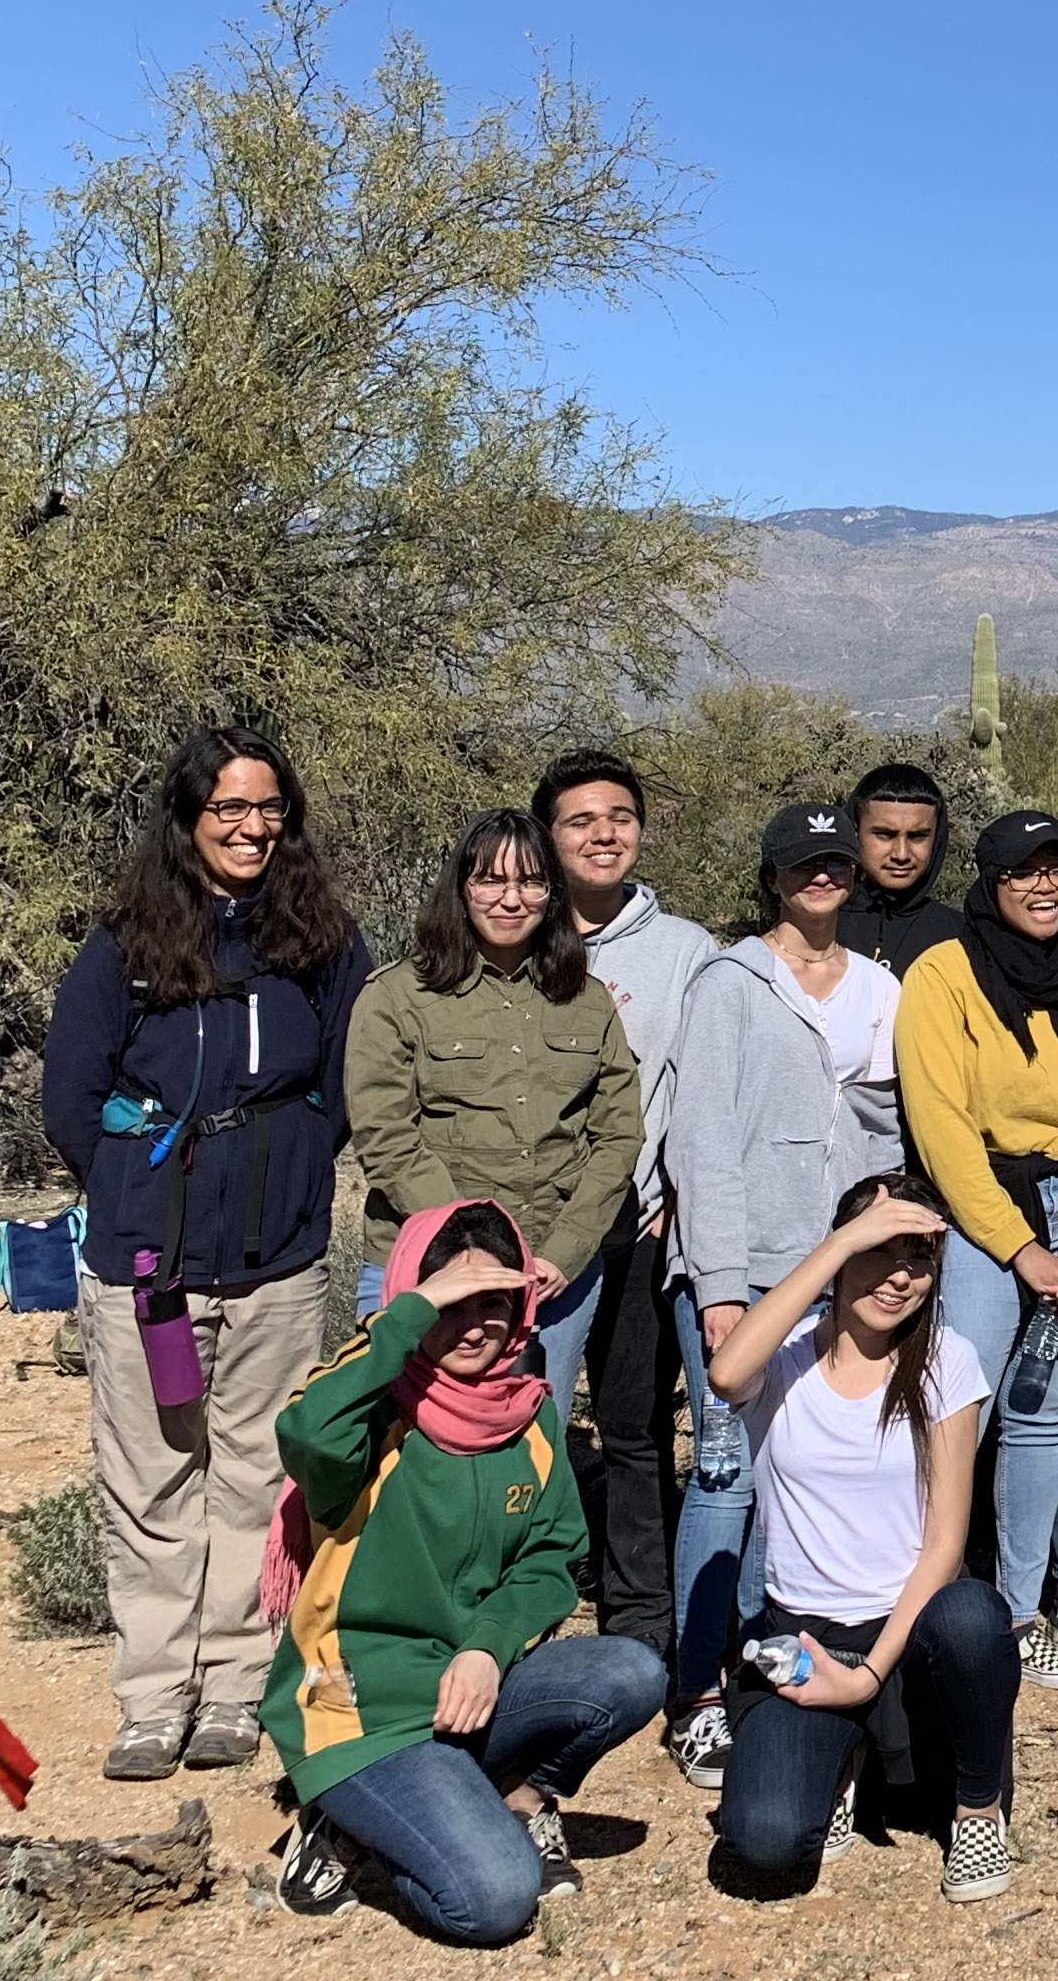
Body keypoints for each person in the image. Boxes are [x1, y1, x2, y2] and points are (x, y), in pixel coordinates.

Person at [43, 727, 370, 1782]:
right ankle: (151, 1698)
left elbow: (348, 1079)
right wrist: (137, 1190)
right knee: (150, 1478)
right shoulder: (124, 946)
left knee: (253, 1478)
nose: (250, 828)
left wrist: (291, 1165)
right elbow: (71, 1099)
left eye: (267, 808)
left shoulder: (320, 942)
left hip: (277, 1258)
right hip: (150, 1266)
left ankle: (233, 1687)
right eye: (227, 808)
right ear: (187, 818)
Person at [264, 1202, 668, 1940]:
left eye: (495, 1303)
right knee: (496, 1899)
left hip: (468, 1685)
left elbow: (551, 1559)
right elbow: (305, 1433)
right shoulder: (367, 1414)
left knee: (632, 1673)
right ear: (412, 1303)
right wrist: (406, 1318)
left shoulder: (528, 1415)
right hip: (359, 1703)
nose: (476, 1323)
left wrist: (486, 1645)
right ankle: (349, 1823)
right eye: (451, 1302)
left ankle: (511, 1796)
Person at [654, 801, 909, 1780]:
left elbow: (882, 1132)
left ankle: (774, 1664)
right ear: (771, 876)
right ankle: (698, 1693)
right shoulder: (730, 983)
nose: (822, 879)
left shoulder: (878, 989)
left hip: (834, 1273)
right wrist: (719, 1284)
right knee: (723, 1469)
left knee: (793, 1471)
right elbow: (702, 1137)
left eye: (836, 864)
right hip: (745, 1269)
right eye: (804, 865)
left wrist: (877, 1253)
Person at [707, 1174, 1021, 1904]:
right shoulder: (782, 1358)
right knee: (765, 1843)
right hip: (808, 1639)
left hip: (908, 1636)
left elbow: (945, 1542)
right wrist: (845, 1237)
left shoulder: (946, 1362)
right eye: (882, 1251)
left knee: (974, 1615)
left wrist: (872, 1672)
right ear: (841, 1254)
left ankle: (978, 1810)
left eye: (920, 1259)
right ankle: (846, 1759)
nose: (901, 1276)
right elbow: (723, 1373)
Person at [895, 811, 1058, 1688]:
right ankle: (934, 1596)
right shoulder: (945, 975)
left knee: (1043, 1406)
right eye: (1022, 872)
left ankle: (1016, 1609)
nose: (1043, 887)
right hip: (985, 1213)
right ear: (991, 880)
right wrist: (1016, 1249)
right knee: (959, 1406)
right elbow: (941, 1129)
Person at [344, 812, 643, 1454]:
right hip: (424, 1265)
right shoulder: (397, 997)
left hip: (551, 1272)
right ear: (461, 888)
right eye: (490, 880)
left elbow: (618, 1135)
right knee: (407, 1450)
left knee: (531, 1447)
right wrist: (474, 1254)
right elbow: (386, 1136)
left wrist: (564, 1251)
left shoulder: (588, 1001)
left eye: (531, 882)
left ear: (553, 895)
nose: (511, 899)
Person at [533, 747, 717, 1684]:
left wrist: (676, 1196)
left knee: (639, 1424)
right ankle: (525, 1600)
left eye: (619, 818)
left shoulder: (685, 951)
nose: (604, 835)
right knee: (528, 1422)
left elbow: (700, 1083)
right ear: (548, 837)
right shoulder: (514, 936)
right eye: (580, 821)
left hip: (642, 1222)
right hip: (535, 1234)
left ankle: (640, 1614)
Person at [837, 762, 964, 972]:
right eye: (885, 835)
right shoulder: (819, 926)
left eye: (918, 836)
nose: (901, 854)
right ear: (855, 831)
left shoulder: (960, 935)